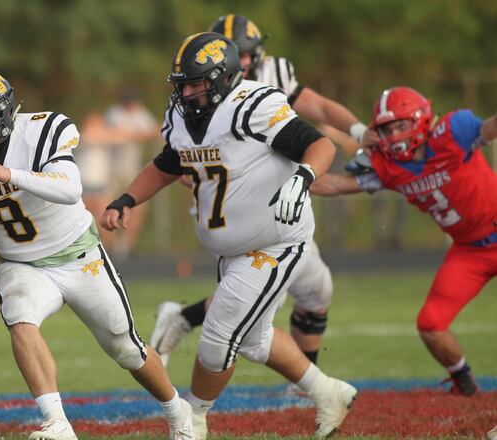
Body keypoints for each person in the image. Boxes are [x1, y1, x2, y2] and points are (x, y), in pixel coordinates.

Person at [101, 33, 357, 439]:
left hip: (275, 242)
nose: (186, 92)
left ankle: (194, 419)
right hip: (233, 250)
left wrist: (303, 178)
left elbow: (318, 144)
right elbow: (170, 163)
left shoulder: (252, 106)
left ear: (222, 79)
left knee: (219, 336)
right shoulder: (182, 115)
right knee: (254, 341)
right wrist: (128, 198)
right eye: (181, 83)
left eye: (195, 84)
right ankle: (329, 392)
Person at [0, 68, 194, 440]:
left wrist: (9, 173)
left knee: (126, 349)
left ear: (3, 115)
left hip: (77, 254)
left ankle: (178, 411)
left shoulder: (40, 131)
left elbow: (70, 188)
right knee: (19, 316)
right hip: (20, 262)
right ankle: (57, 423)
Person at [150, 14, 370, 374]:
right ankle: (303, 387)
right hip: (236, 204)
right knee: (261, 300)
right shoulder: (193, 99)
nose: (249, 62)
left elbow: (320, 114)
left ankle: (185, 318)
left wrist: (359, 134)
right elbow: (179, 156)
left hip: (281, 195)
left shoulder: (271, 80)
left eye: (251, 55)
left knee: (308, 293)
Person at [310, 86, 497, 396]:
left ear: (421, 120)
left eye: (401, 125)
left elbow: (489, 128)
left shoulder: (454, 133)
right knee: (431, 324)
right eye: (387, 129)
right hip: (468, 252)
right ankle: (465, 385)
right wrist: (290, 176)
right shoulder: (389, 167)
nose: (394, 135)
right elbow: (333, 185)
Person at [77, 91, 161, 258]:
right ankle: (101, 250)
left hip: (99, 183)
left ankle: (111, 250)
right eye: (96, 123)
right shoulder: (88, 134)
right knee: (90, 220)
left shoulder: (102, 132)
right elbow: (115, 136)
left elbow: (119, 135)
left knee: (103, 216)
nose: (101, 125)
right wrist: (140, 133)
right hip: (86, 185)